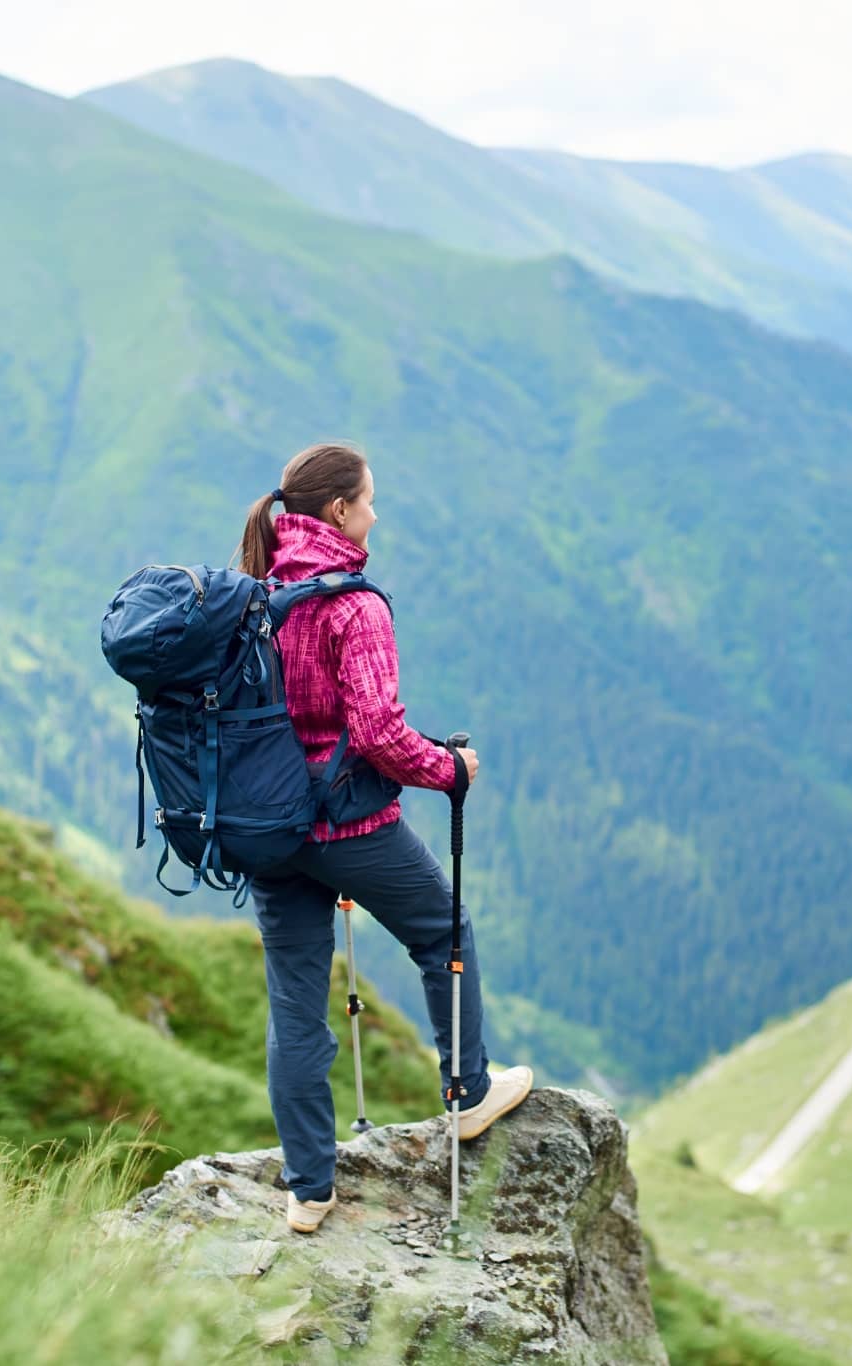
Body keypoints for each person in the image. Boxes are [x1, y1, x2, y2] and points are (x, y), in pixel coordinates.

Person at [236, 441, 533, 1234]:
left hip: (269, 832)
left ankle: (308, 1189)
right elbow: (376, 733)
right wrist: (451, 769)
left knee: (295, 1007)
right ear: (338, 511)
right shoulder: (353, 605)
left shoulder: (260, 593)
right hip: (348, 826)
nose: (376, 513)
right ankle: (468, 1096)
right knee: (445, 931)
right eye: (369, 500)